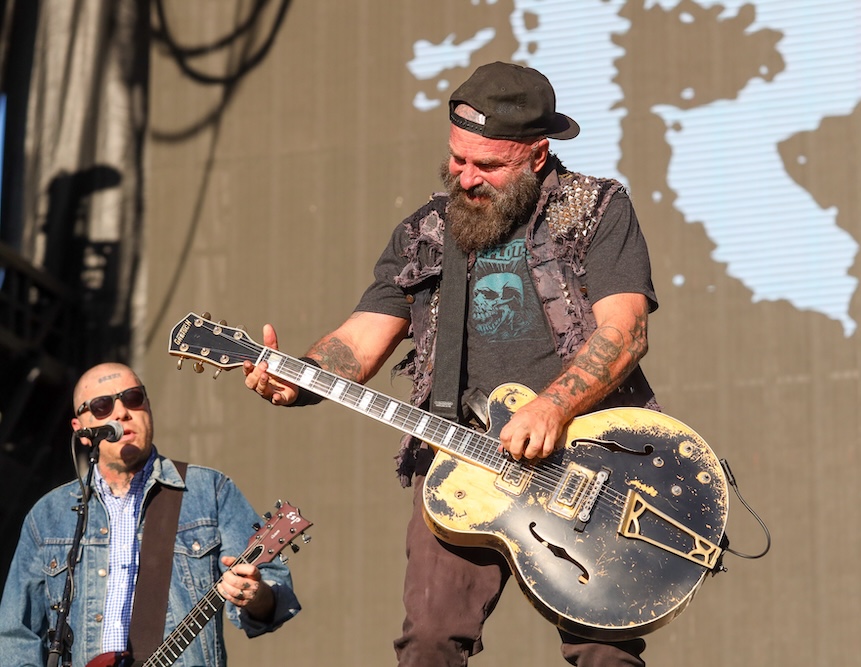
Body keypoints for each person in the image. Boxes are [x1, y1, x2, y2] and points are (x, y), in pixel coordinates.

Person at [243, 61, 660, 666]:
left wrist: (553, 405)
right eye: (457, 159)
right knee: (430, 640)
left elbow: (624, 332)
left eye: (487, 166)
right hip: (461, 461)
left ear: (537, 155)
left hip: (581, 453)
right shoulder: (425, 232)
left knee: (603, 648)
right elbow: (362, 340)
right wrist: (298, 374)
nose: (465, 178)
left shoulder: (594, 208)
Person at [0, 362, 301, 666]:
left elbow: (274, 593)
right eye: (102, 406)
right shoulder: (48, 516)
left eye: (132, 398)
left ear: (148, 406)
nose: (121, 413)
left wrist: (257, 595)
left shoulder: (208, 490)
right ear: (82, 432)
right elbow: (15, 636)